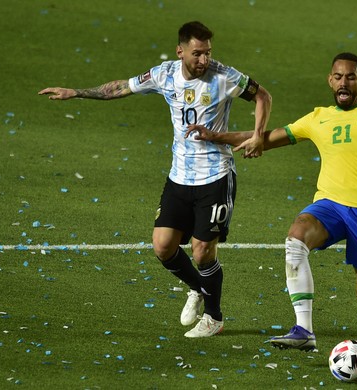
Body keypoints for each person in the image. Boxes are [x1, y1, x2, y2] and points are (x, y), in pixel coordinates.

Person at [38, 21, 272, 337]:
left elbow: (263, 97)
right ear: (181, 51)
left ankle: (214, 317)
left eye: (207, 53)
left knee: (203, 250)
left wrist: (258, 135)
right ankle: (197, 288)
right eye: (197, 53)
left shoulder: (226, 76)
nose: (204, 60)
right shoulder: (164, 74)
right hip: (179, 177)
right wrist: (76, 92)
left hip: (215, 175)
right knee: (163, 247)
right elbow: (121, 87)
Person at [186, 52, 357, 350]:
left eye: (351, 77)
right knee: (296, 237)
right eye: (338, 77)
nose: (344, 82)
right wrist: (215, 136)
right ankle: (304, 331)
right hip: (329, 205)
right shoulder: (318, 118)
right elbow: (268, 137)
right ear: (330, 80)